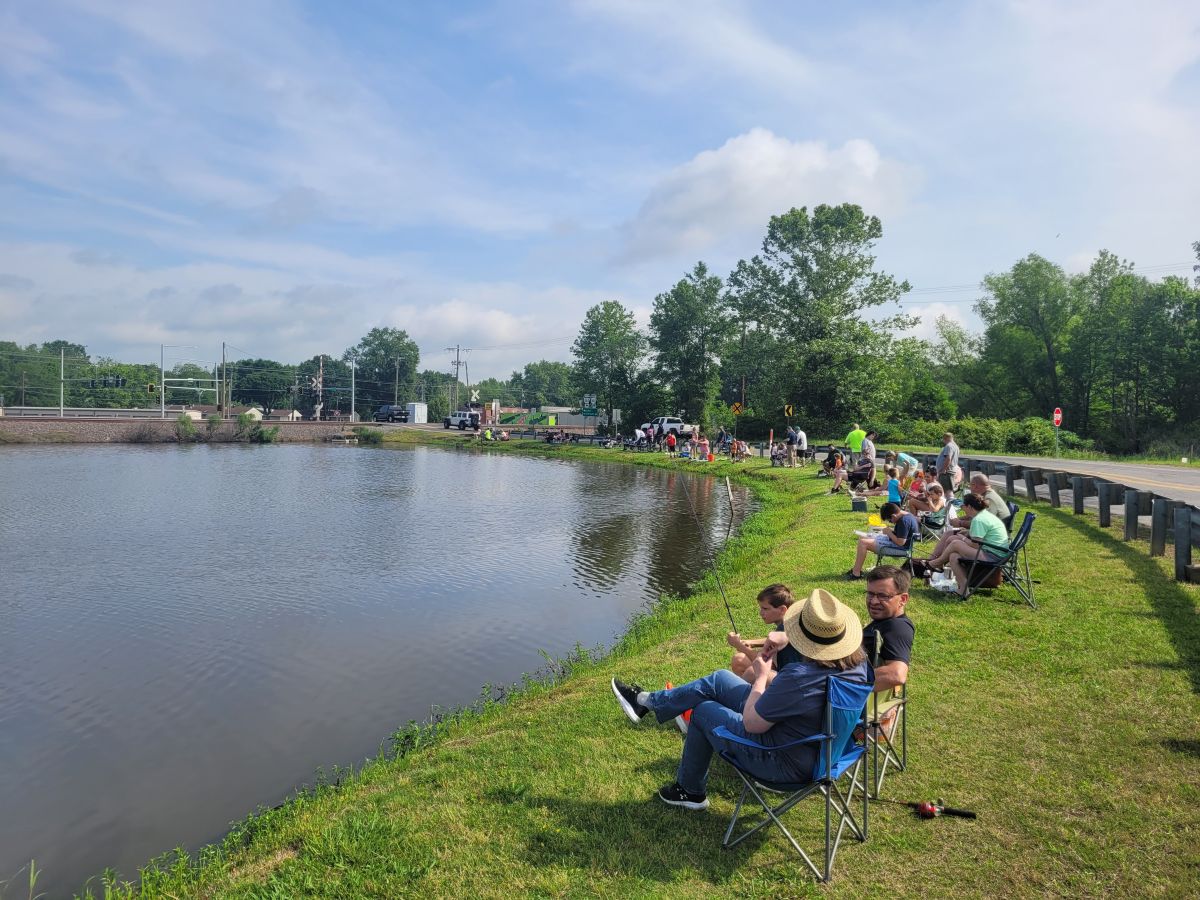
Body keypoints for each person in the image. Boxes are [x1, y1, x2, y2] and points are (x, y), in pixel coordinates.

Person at [611, 589, 870, 810]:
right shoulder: (858, 665)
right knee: (721, 678)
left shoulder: (800, 677)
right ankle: (647, 702)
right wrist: (786, 637)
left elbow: (752, 724)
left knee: (703, 711)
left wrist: (760, 676)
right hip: (823, 751)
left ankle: (689, 791)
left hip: (782, 761)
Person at [922, 493, 1009, 597]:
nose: (962, 508)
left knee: (955, 543)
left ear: (970, 507)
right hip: (994, 551)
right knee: (953, 556)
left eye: (963, 506)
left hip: (992, 555)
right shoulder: (984, 515)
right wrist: (967, 534)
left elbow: (976, 545)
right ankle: (963, 589)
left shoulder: (979, 520)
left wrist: (962, 538)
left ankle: (937, 563)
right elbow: (982, 537)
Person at [726, 584, 800, 682]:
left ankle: (754, 695)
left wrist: (740, 646)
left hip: (788, 680)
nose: (761, 613)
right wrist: (752, 642)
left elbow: (763, 663)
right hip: (789, 673)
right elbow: (778, 640)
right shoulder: (792, 623)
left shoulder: (784, 627)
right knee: (739, 659)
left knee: (751, 673)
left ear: (782, 609)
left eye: (765, 608)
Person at [846, 501, 919, 579]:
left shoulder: (904, 521)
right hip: (899, 544)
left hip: (901, 549)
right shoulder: (907, 515)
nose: (891, 522)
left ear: (893, 516)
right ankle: (856, 569)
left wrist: (889, 532)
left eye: (889, 520)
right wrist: (890, 531)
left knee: (863, 543)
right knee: (863, 538)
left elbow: (900, 542)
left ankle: (856, 573)